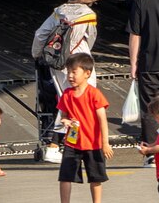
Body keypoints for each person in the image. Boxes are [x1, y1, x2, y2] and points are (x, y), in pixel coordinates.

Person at [33, 0, 103, 163]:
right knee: (80, 103)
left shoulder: (59, 11)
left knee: (67, 102)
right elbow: (90, 40)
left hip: (58, 63)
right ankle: (56, 146)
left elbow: (40, 34)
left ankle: (70, 144)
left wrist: (37, 54)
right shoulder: (89, 15)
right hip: (81, 60)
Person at [56, 52, 113, 203]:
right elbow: (63, 115)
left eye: (74, 72)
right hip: (72, 142)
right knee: (65, 177)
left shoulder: (94, 94)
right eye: (68, 72)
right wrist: (65, 121)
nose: (70, 76)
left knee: (95, 177)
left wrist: (105, 143)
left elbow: (102, 120)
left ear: (87, 73)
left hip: (93, 144)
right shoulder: (66, 95)